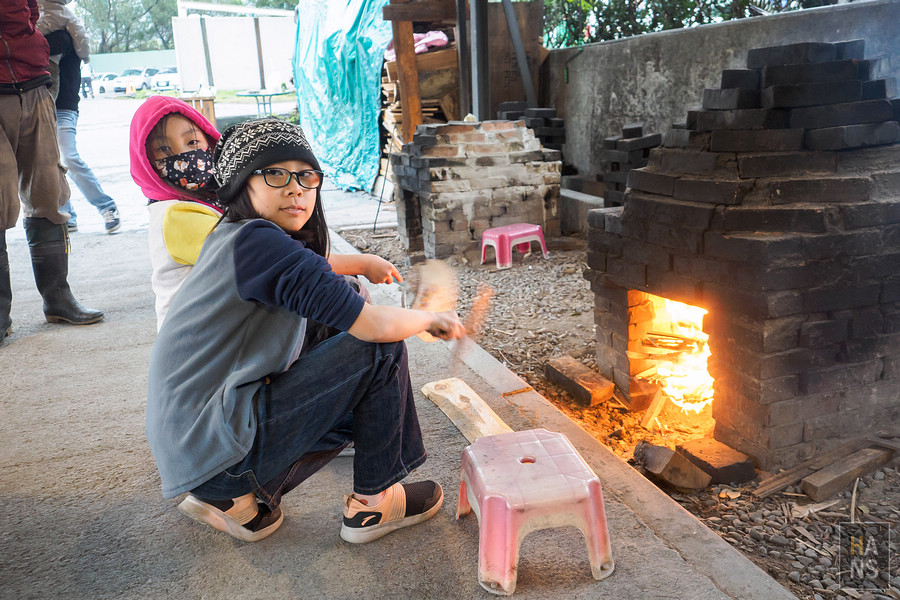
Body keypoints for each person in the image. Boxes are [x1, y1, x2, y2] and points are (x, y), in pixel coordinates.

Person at [146, 118, 465, 544]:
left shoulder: (235, 235)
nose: (296, 188)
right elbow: (373, 328)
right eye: (275, 174)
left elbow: (316, 278)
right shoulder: (261, 242)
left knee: (341, 302)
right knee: (380, 350)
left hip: (197, 445)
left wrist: (362, 264)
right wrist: (431, 319)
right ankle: (375, 504)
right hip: (217, 453)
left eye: (306, 175)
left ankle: (231, 502)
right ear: (244, 183)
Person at [0, 0, 104, 341]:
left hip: (32, 83)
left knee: (49, 193)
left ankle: (58, 298)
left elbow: (31, 11)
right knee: (0, 199)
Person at [129, 95, 223, 329]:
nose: (183, 158)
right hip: (199, 347)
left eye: (192, 143)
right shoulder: (177, 215)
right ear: (146, 162)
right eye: (163, 149)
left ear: (210, 142)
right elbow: (262, 257)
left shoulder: (214, 201)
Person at [37, 0, 120, 234]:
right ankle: (67, 212)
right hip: (42, 106)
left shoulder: (66, 33)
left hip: (64, 107)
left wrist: (85, 56)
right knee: (48, 160)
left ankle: (107, 206)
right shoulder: (36, 35)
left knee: (68, 157)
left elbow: (82, 45)